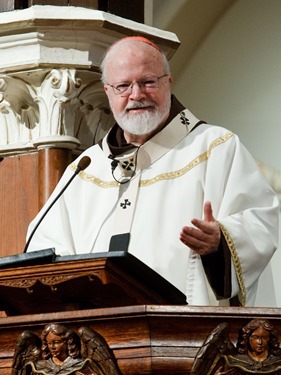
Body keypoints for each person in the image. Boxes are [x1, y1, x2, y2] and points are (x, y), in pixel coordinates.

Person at [26, 35, 279, 306]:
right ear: (108, 92)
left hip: (187, 334)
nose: (136, 95)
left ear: (168, 83)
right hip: (96, 338)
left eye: (147, 82)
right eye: (123, 86)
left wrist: (220, 243)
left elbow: (261, 222)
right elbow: (46, 248)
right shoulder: (87, 167)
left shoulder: (214, 147)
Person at [214, 319, 281, 374]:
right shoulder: (233, 360)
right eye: (255, 337)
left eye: (264, 337)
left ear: (270, 339)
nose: (260, 342)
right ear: (247, 338)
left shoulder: (278, 360)